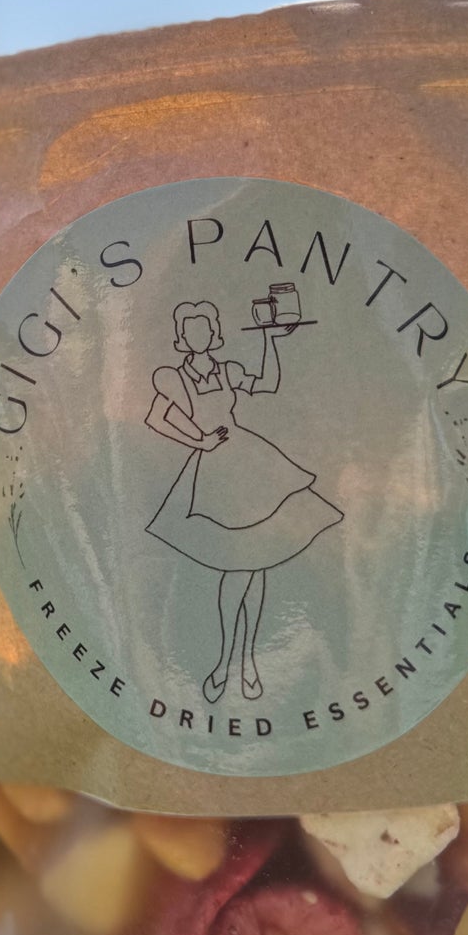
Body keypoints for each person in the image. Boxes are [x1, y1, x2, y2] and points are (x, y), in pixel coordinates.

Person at [143, 299, 341, 704]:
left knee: (258, 562)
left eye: (205, 329)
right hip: (215, 473)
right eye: (191, 331)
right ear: (183, 339)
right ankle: (229, 663)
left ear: (214, 334)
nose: (199, 336)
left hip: (250, 462)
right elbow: (154, 419)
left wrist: (270, 339)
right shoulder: (175, 378)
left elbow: (267, 382)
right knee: (239, 566)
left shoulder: (227, 370)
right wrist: (198, 440)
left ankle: (245, 661)